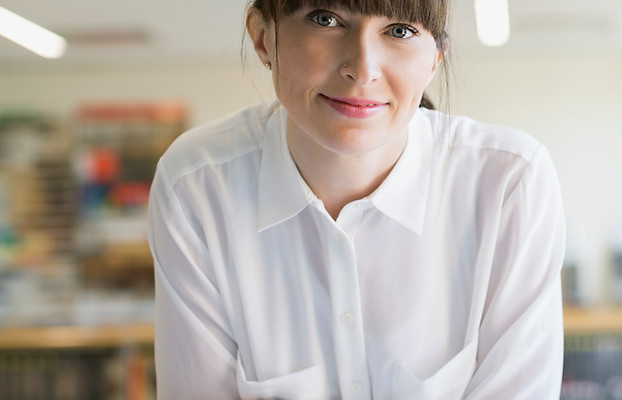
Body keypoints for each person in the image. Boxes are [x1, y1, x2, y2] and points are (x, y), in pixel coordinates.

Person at [147, 0, 566, 398]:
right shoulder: (195, 187)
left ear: (435, 60)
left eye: (399, 30)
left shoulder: (510, 184)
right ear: (263, 37)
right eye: (326, 19)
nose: (363, 69)